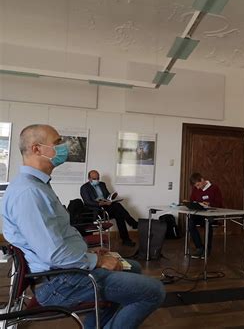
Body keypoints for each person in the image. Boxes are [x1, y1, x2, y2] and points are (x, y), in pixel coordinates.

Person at [2, 124, 165, 329]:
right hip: (60, 282)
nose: (64, 147)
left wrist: (87, 251)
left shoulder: (37, 186)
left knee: (134, 267)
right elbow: (54, 254)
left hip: (63, 273)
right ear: (37, 149)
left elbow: (55, 238)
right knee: (154, 292)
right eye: (58, 142)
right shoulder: (29, 193)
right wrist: (96, 260)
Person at [81, 170, 138, 246]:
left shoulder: (102, 184)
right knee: (118, 208)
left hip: (106, 208)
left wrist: (111, 197)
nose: (97, 180)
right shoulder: (84, 188)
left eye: (98, 178)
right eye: (94, 179)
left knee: (119, 213)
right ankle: (132, 224)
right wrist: (100, 203)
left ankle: (126, 240)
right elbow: (87, 202)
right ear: (89, 178)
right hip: (96, 211)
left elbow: (107, 195)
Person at [187, 172, 223, 258]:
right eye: (196, 186)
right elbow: (192, 200)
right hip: (200, 214)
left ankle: (207, 249)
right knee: (190, 222)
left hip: (211, 214)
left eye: (198, 185)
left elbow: (219, 204)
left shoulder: (214, 188)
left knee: (208, 222)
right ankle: (199, 247)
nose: (197, 188)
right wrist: (193, 203)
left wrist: (209, 204)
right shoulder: (196, 189)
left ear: (202, 180)